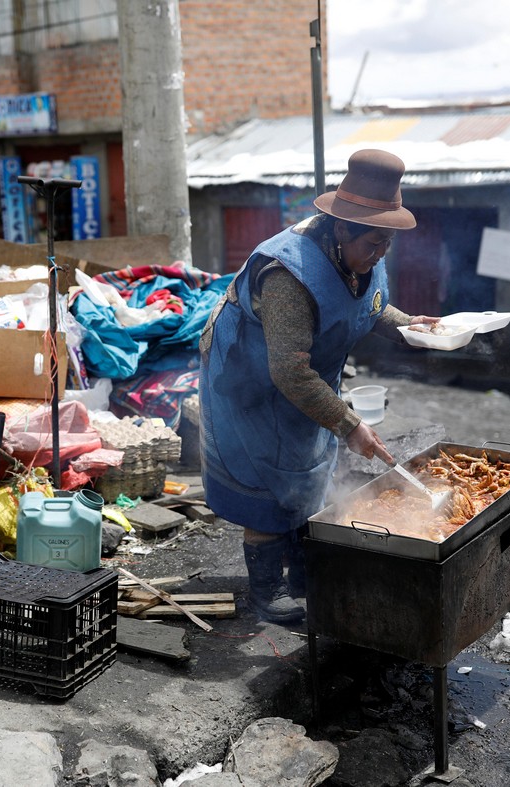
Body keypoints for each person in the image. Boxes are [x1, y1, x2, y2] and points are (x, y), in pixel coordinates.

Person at [199, 149, 441, 625]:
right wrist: (350, 424)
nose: (380, 254)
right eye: (373, 243)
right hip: (247, 379)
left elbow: (367, 306)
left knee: (308, 465)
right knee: (265, 478)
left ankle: (301, 573)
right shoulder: (289, 275)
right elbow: (288, 372)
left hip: (302, 373)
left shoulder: (364, 252)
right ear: (340, 228)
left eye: (388, 244)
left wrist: (410, 325)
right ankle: (267, 593)